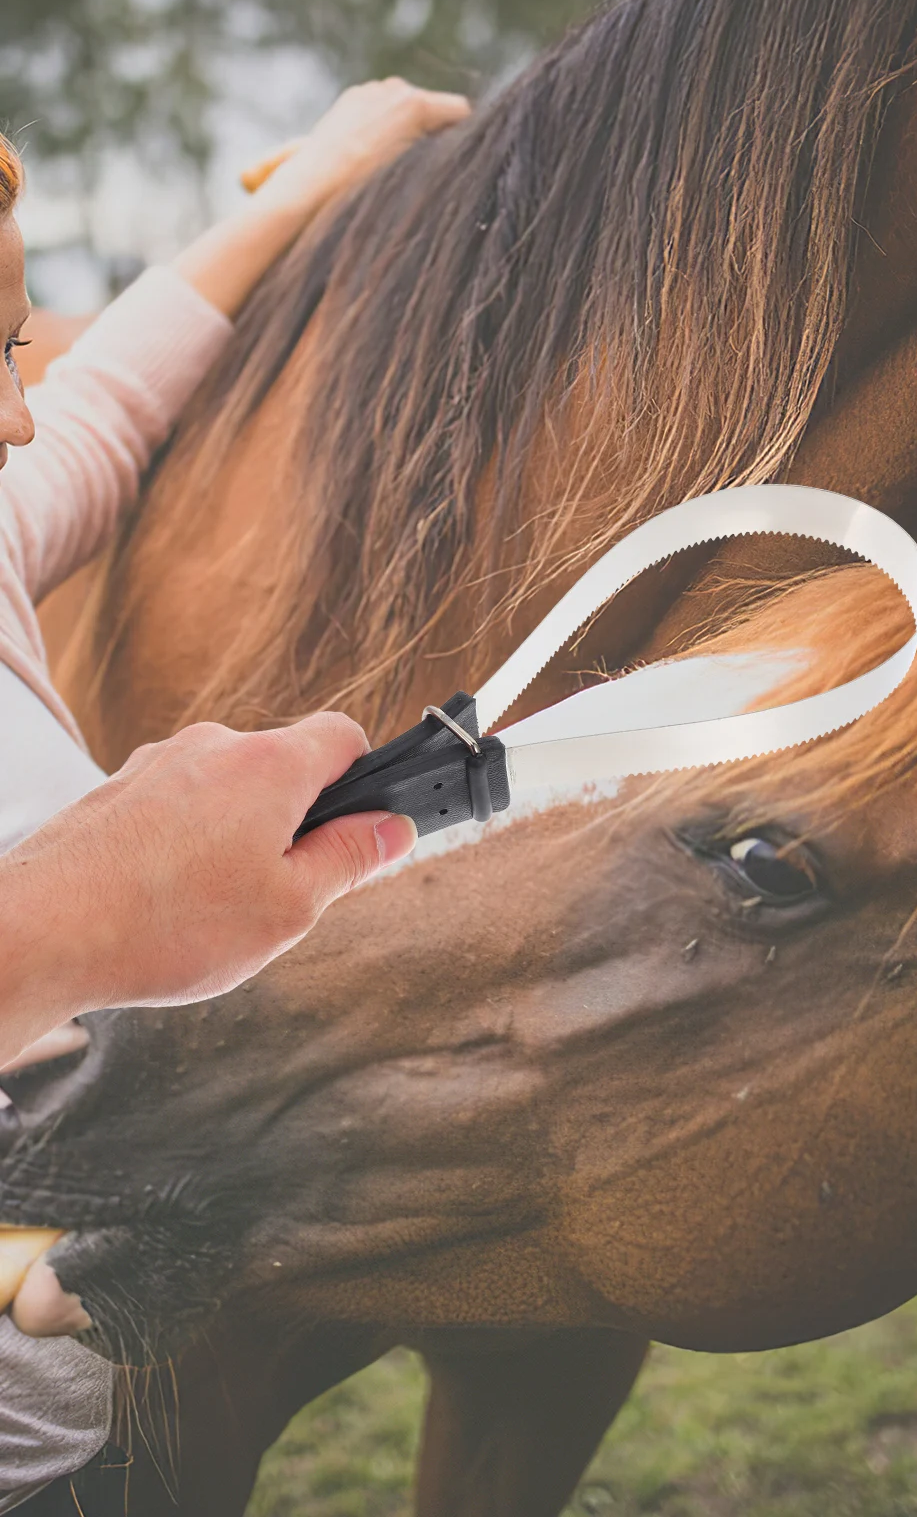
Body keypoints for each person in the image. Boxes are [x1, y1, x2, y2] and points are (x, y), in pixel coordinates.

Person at [0, 79, 469, 1512]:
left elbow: (101, 406)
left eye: (8, 348)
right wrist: (75, 913)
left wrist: (313, 177)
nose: (14, 420)